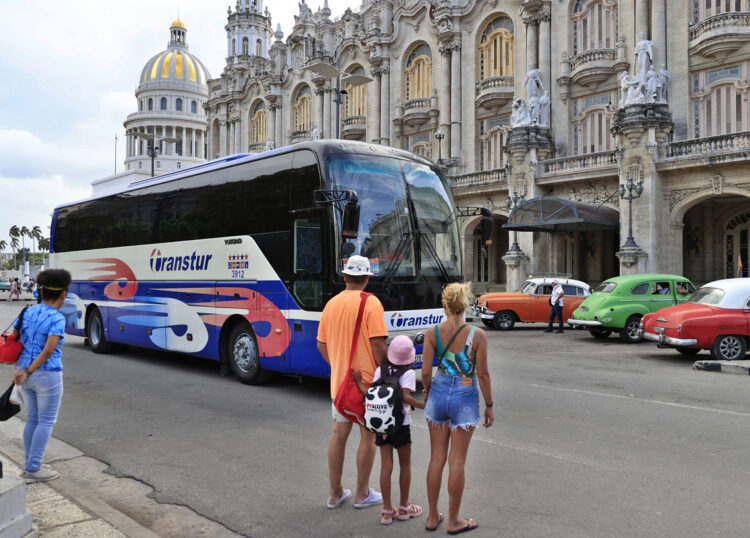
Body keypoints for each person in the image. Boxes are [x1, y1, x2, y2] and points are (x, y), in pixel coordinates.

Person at [317, 255, 388, 510]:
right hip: (366, 385)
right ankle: (361, 493)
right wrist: (387, 373)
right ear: (367, 279)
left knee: (338, 434)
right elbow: (378, 343)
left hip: (340, 384)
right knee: (368, 438)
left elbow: (321, 344)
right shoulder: (371, 303)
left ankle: (335, 494)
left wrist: (337, 366)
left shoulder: (331, 304)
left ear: (345, 277)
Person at [421, 282, 493, 534]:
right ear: (464, 306)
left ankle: (432, 516)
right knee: (457, 462)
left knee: (436, 459)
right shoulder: (478, 335)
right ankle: (453, 520)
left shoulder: (432, 333)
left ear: (444, 304)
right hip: (465, 393)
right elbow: (482, 374)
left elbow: (426, 372)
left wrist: (428, 393)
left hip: (438, 394)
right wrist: (489, 405)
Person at [355, 335, 424, 525]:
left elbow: (370, 394)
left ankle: (386, 512)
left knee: (386, 466)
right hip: (401, 426)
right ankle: (403, 508)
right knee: (405, 465)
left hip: (382, 426)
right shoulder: (408, 374)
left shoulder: (381, 370)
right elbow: (406, 397)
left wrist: (358, 382)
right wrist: (425, 405)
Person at [11, 269, 72, 483]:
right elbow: (48, 351)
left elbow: (14, 339)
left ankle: (30, 466)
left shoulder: (28, 311)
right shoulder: (57, 318)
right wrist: (29, 370)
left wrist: (22, 370)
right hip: (46, 374)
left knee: (33, 420)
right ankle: (33, 468)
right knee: (46, 421)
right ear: (63, 294)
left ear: (43, 291)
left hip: (23, 372)